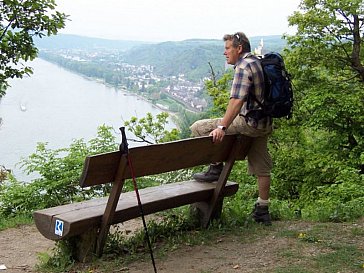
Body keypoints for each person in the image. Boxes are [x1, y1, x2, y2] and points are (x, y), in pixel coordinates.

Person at [190, 32, 273, 225]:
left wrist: (222, 126)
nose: (225, 53)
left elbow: (236, 101)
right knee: (262, 166)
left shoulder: (243, 67)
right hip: (263, 123)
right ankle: (263, 209)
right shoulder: (257, 61)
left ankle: (216, 168)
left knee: (199, 127)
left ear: (239, 48)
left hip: (249, 122)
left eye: (228, 48)